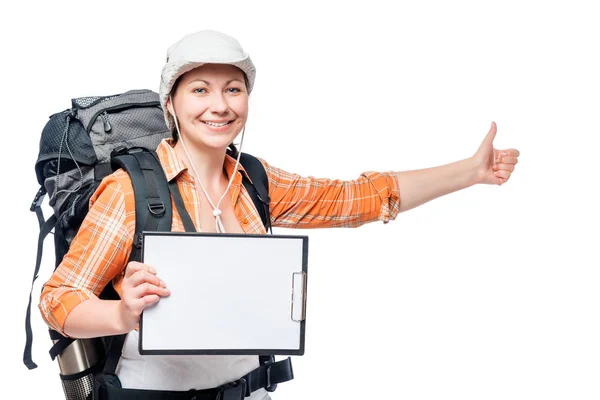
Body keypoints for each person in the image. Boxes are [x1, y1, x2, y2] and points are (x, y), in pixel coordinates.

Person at [38, 30, 520, 399]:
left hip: (251, 389)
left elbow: (360, 199)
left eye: (233, 89)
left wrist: (470, 172)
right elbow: (58, 300)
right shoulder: (129, 191)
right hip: (151, 392)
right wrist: (123, 311)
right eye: (200, 90)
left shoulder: (255, 181)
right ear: (171, 103)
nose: (219, 106)